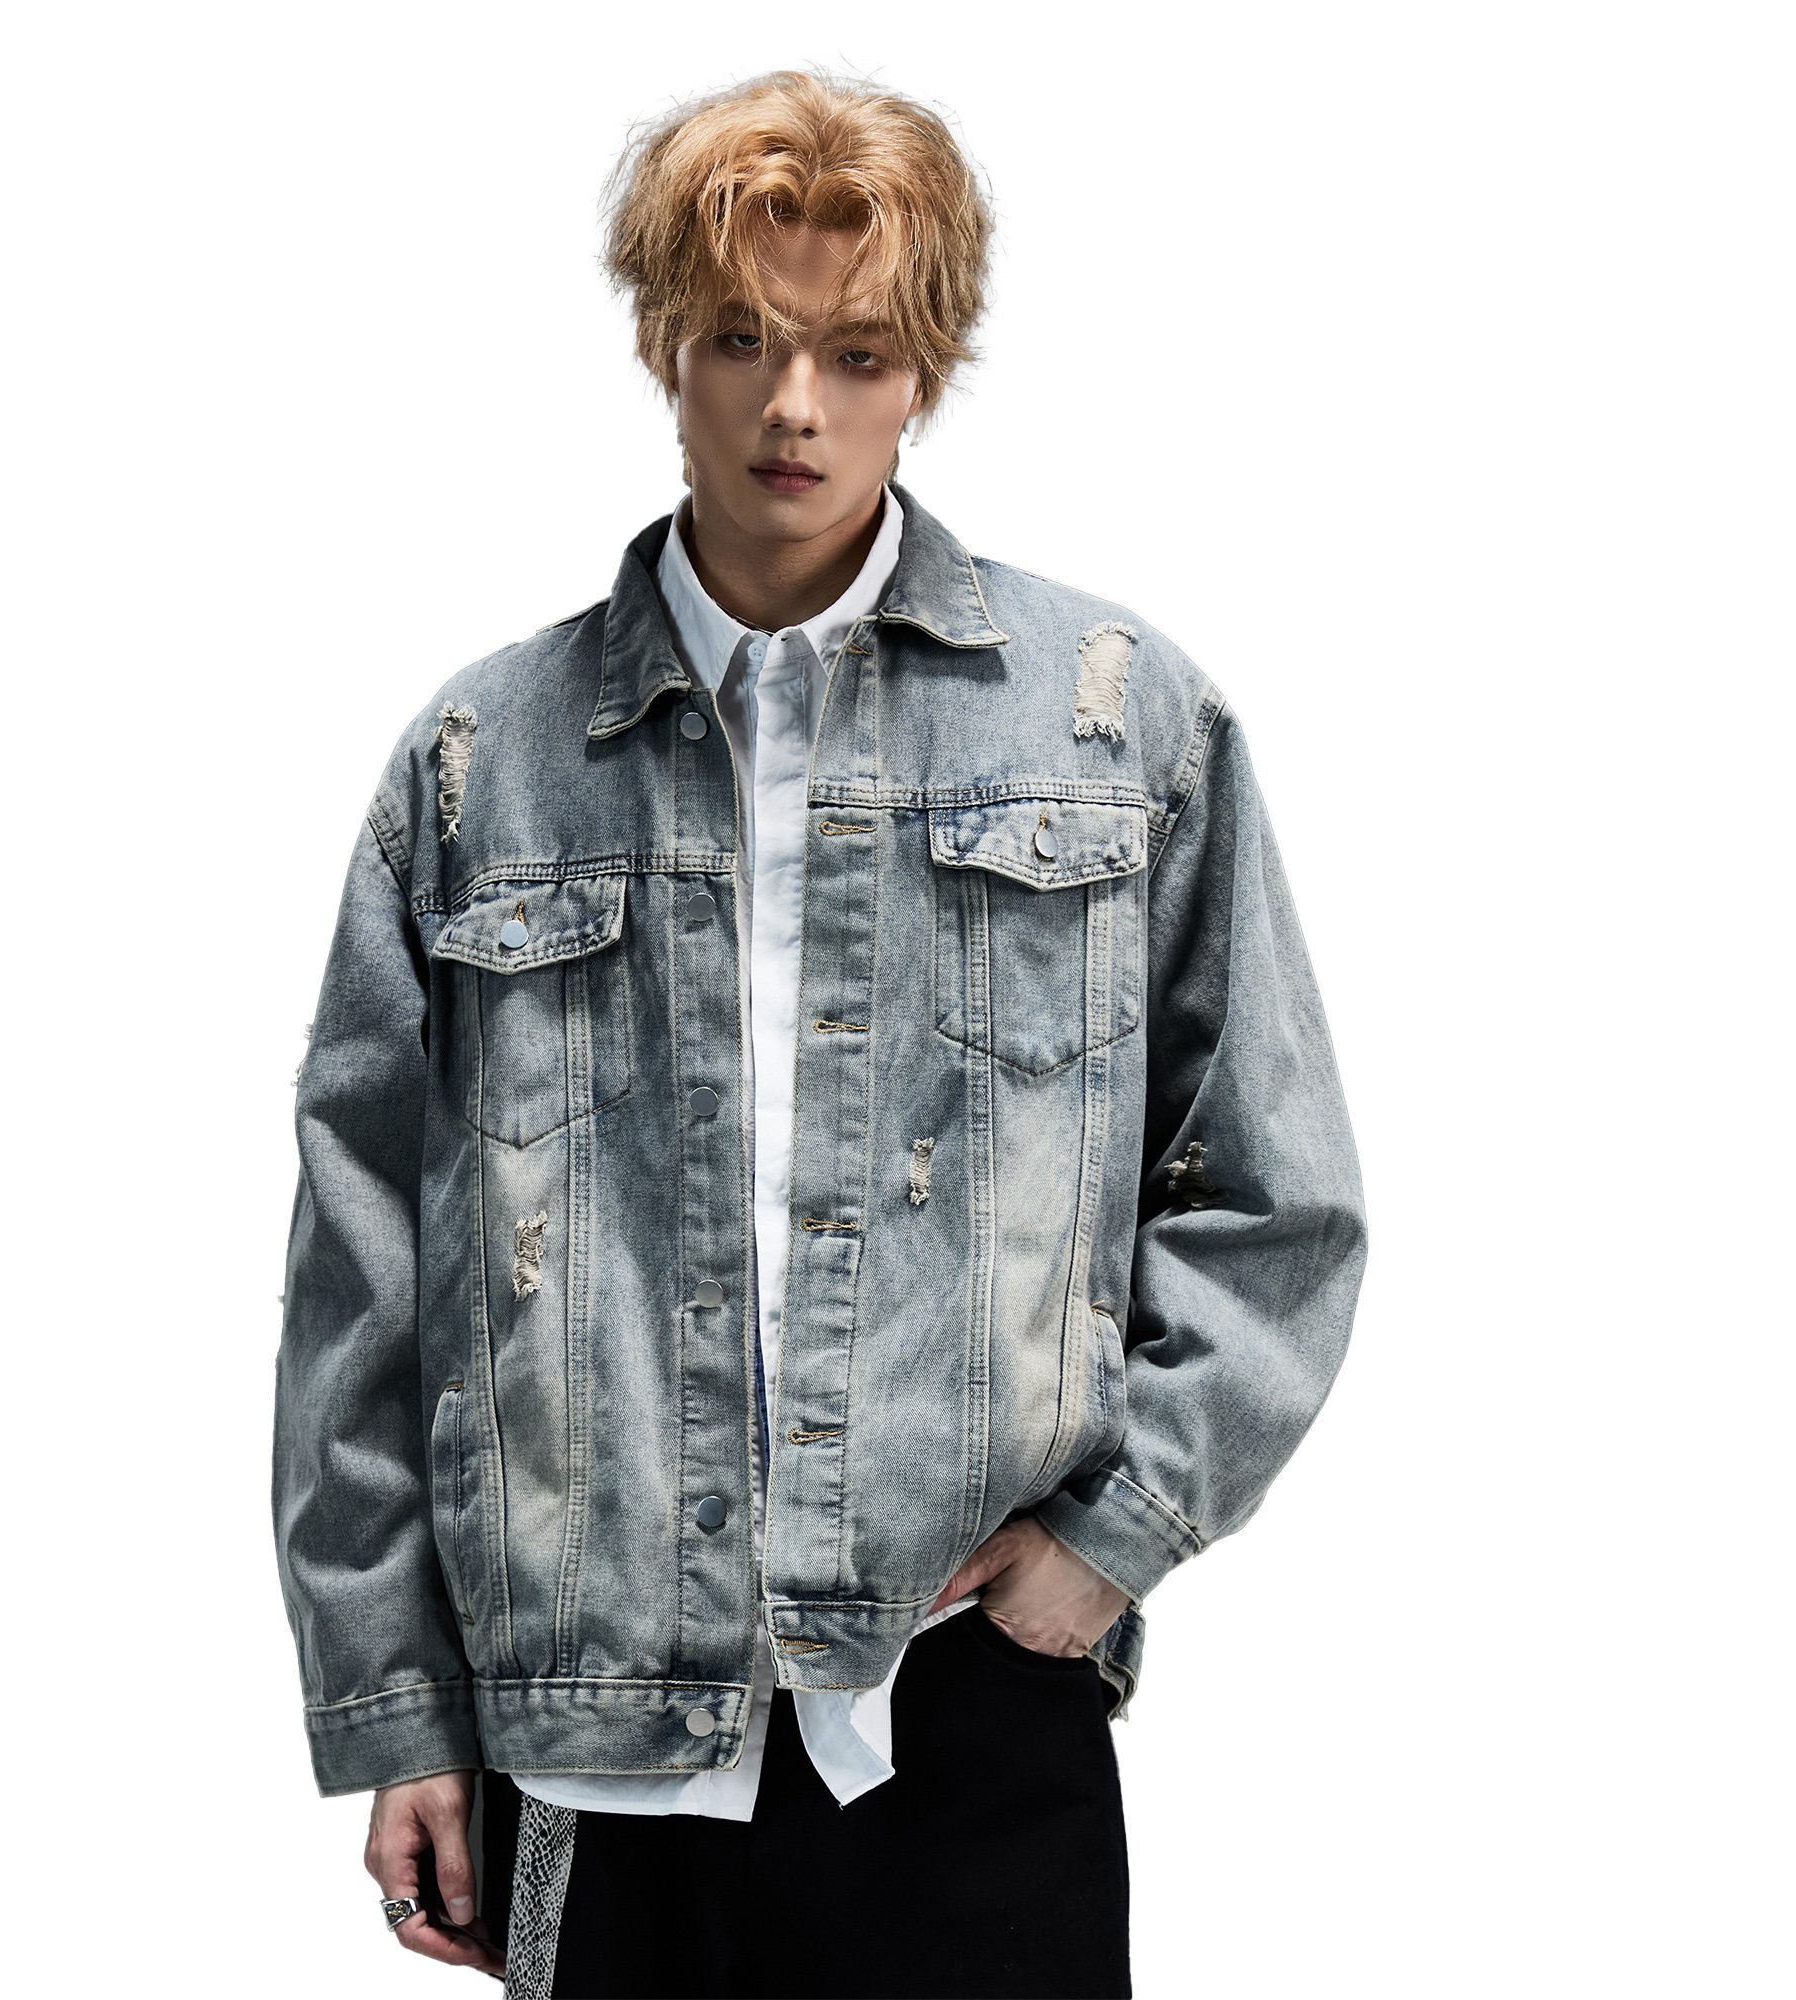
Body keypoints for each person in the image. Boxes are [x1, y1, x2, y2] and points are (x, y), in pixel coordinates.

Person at [273, 66, 1367, 1999]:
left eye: (857, 354)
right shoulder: (481, 767)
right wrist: (396, 1706)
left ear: (924, 366)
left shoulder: (1117, 726)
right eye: (741, 342)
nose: (796, 406)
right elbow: (364, 1281)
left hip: (969, 1711)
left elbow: (1275, 1198)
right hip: (589, 1734)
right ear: (661, 345)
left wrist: (1114, 1537)